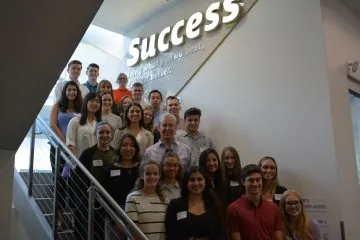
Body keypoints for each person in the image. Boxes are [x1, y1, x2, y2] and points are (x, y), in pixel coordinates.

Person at [72, 122, 116, 240]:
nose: (104, 135)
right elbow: (78, 174)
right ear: (95, 134)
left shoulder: (116, 154)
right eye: (101, 132)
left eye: (107, 132)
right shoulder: (88, 153)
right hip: (90, 199)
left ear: (111, 135)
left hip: (109, 200)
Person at [49, 81, 82, 230]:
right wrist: (66, 143)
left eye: (74, 90)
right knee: (60, 184)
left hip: (76, 151)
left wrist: (72, 145)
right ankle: (60, 218)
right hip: (59, 150)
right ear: (65, 91)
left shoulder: (81, 108)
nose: (72, 92)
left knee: (76, 185)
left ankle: (76, 218)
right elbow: (53, 125)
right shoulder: (57, 106)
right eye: (69, 89)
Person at [165, 166, 226, 240]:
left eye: (200, 179)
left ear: (205, 182)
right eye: (192, 180)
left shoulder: (214, 204)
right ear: (186, 183)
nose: (196, 183)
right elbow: (171, 233)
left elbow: (220, 233)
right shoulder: (175, 205)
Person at [227, 164, 283, 240]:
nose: (255, 184)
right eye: (250, 180)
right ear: (243, 182)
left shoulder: (274, 208)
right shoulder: (234, 209)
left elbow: (278, 237)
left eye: (258, 180)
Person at [103, 133, 140, 239]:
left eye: (132, 145)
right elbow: (105, 197)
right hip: (115, 215)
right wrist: (115, 219)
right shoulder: (109, 169)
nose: (128, 148)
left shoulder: (142, 168)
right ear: (119, 148)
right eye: (124, 145)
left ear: (136, 148)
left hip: (138, 216)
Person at [125, 160, 168, 240]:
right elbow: (133, 230)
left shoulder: (165, 200)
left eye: (155, 174)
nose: (152, 177)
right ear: (142, 175)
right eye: (148, 174)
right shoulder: (132, 198)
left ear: (159, 176)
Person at [66, 92, 102, 157]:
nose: (95, 103)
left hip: (96, 162)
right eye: (92, 100)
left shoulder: (100, 123)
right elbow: (70, 144)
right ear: (86, 102)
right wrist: (77, 162)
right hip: (79, 161)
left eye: (97, 102)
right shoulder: (75, 121)